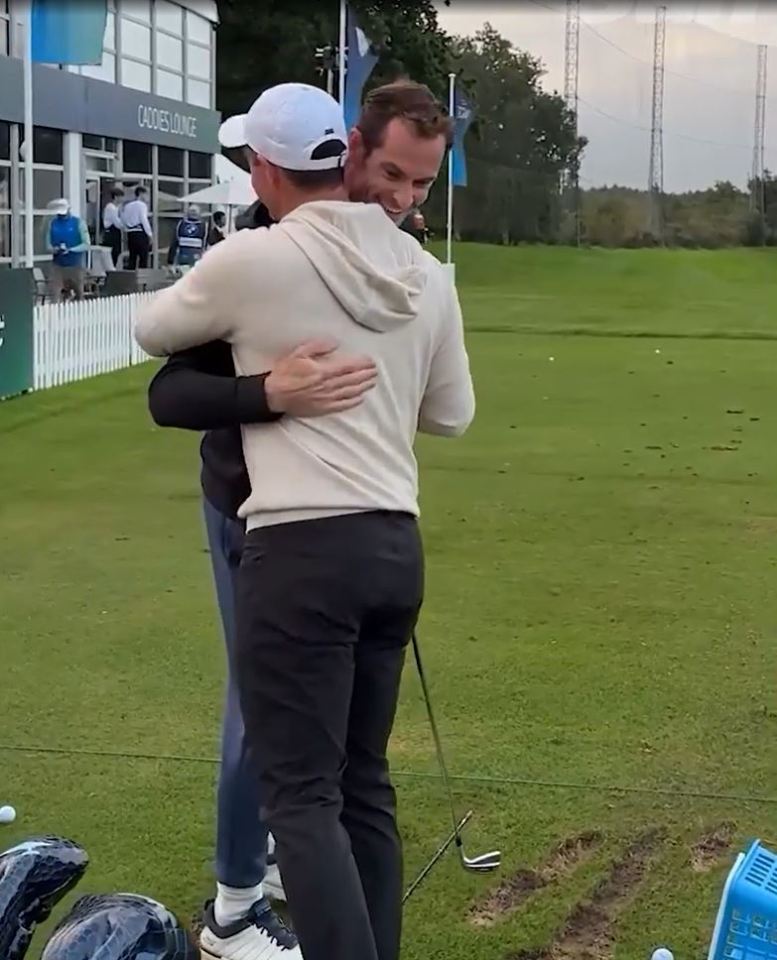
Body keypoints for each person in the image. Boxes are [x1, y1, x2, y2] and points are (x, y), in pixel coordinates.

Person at [135, 81, 475, 960]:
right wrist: (277, 392)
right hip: (392, 550)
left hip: (298, 552)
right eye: (392, 175)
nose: (404, 200)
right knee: (361, 786)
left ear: (261, 167)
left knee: (304, 800)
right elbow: (451, 415)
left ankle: (244, 912)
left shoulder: (253, 257)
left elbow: (148, 334)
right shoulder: (427, 274)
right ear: (349, 155)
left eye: (418, 184)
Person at [47, 198, 90, 301]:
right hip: (57, 265)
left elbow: (86, 244)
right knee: (55, 294)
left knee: (79, 293)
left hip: (75, 264)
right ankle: (56, 313)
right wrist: (55, 249)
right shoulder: (52, 224)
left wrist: (71, 250)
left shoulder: (79, 223)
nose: (62, 215)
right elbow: (48, 245)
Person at [122, 185, 152, 269]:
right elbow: (143, 220)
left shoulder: (127, 206)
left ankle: (131, 278)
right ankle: (142, 279)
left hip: (130, 233)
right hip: (140, 232)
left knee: (132, 257)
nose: (147, 197)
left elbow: (123, 219)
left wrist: (127, 228)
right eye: (146, 194)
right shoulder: (142, 205)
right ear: (141, 194)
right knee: (143, 258)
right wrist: (149, 234)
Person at [102, 186, 124, 266]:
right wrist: (125, 225)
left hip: (115, 233)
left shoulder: (116, 208)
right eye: (121, 197)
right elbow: (117, 223)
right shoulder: (110, 207)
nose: (122, 199)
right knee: (113, 254)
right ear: (115, 197)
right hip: (111, 233)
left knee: (116, 253)